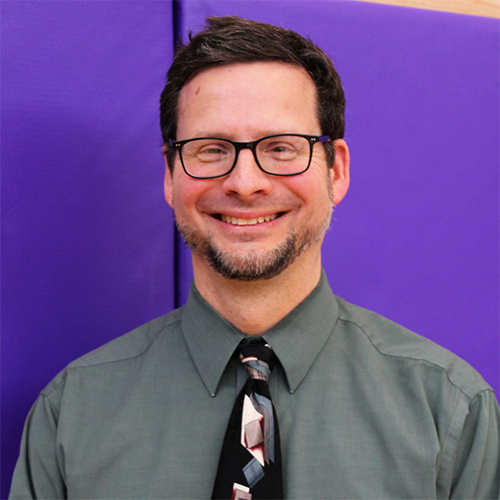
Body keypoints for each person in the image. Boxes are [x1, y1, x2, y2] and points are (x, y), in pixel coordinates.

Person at [9, 16, 500, 500]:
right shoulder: (72, 413)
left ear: (338, 171)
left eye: (282, 148)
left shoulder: (450, 411)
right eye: (211, 149)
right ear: (169, 174)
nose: (245, 183)